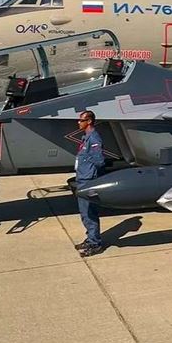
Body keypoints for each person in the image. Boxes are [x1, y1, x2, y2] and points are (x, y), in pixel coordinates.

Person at [75, 110, 105, 257]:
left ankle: (95, 243)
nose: (78, 123)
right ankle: (90, 238)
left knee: (89, 212)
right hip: (82, 178)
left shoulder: (93, 138)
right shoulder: (85, 137)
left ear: (89, 121)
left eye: (81, 120)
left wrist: (90, 174)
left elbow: (99, 161)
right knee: (84, 213)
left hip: (87, 180)